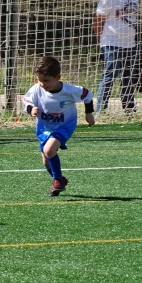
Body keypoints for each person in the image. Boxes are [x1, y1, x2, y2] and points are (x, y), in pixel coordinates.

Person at [23, 56, 95, 197]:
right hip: (44, 127)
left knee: (49, 150)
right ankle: (60, 179)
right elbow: (27, 101)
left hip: (64, 125)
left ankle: (57, 181)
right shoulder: (37, 89)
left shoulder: (69, 91)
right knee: (46, 159)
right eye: (39, 80)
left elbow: (87, 95)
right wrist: (31, 109)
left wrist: (89, 114)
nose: (42, 84)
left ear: (58, 77)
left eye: (46, 80)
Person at [93, 0, 139, 115]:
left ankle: (129, 108)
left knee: (128, 76)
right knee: (110, 75)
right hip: (112, 42)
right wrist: (99, 39)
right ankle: (100, 109)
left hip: (129, 43)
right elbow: (98, 20)